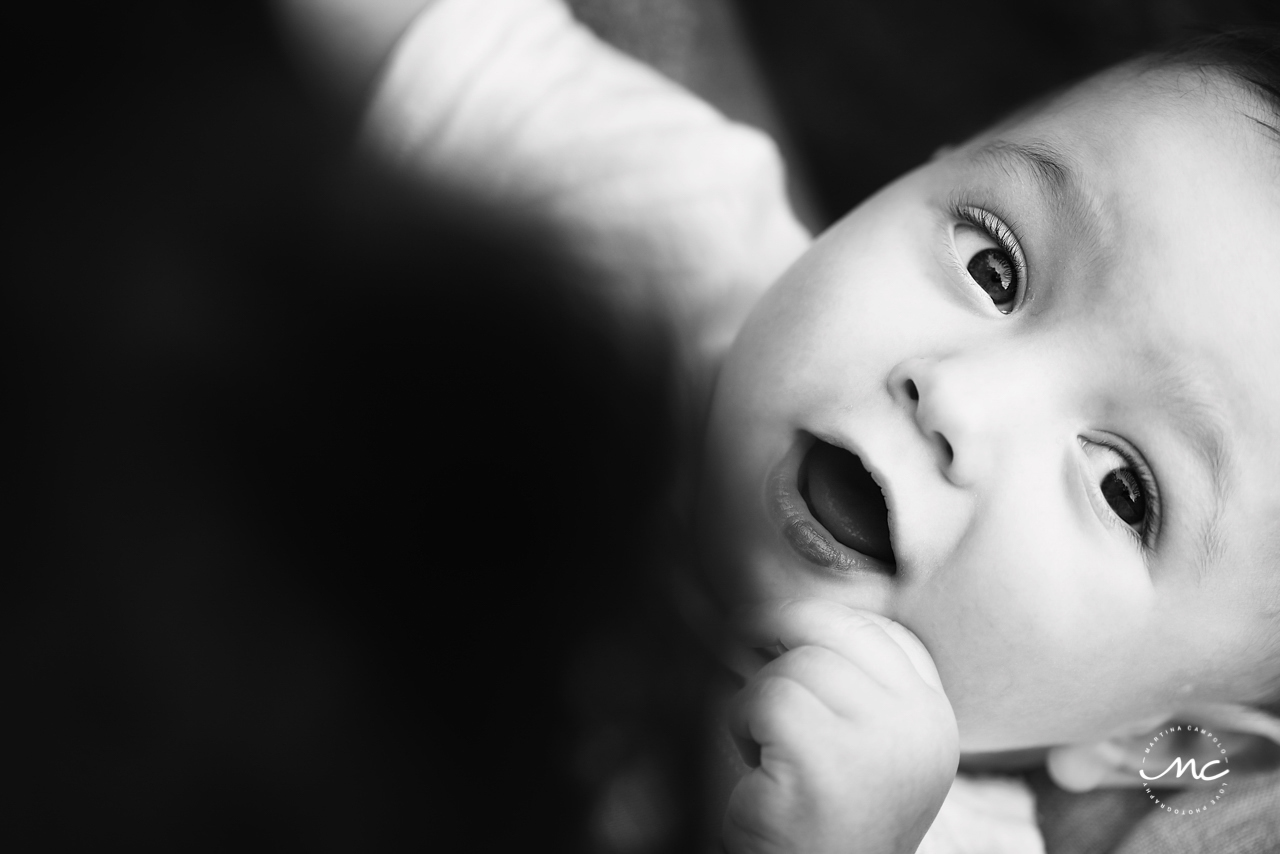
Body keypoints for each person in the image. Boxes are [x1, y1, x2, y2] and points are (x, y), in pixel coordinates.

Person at [282, 1, 1280, 851]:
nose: (956, 401)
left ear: (1150, 740)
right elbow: (437, 41)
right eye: (992, 265)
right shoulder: (666, 236)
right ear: (923, 170)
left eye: (1123, 490)